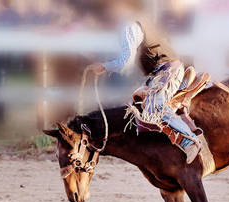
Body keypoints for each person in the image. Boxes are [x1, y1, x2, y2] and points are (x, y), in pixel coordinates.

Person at [85, 0, 201, 164]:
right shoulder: (142, 20)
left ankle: (189, 141)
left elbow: (126, 64)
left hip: (166, 71)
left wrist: (104, 66)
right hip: (163, 71)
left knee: (156, 108)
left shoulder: (128, 26)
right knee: (139, 105)